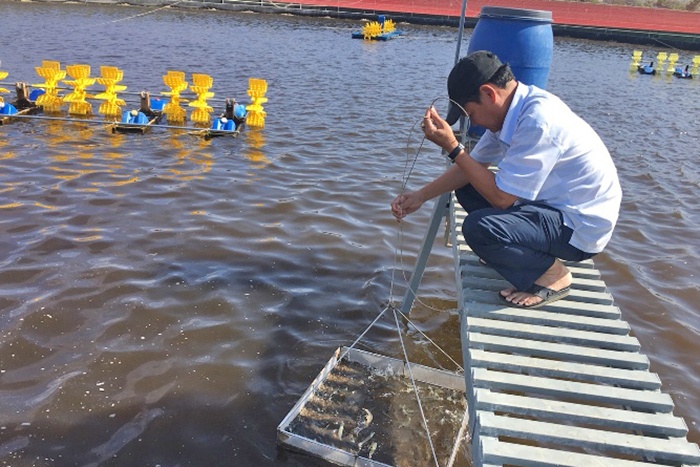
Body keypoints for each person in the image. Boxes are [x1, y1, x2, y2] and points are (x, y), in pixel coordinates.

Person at [391, 50, 622, 309]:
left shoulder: (538, 120)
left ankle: (553, 275)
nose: (473, 122)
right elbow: (471, 167)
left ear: (489, 94)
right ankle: (513, 252)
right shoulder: (512, 110)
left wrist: (454, 147)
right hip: (554, 209)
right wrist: (419, 196)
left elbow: (501, 200)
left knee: (479, 229)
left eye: (470, 114)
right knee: (468, 183)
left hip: (580, 227)